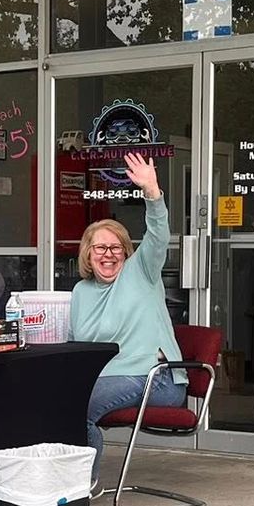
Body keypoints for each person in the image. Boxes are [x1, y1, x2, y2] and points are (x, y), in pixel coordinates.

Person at [70, 150, 187, 481]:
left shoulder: (141, 272)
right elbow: (79, 347)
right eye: (99, 248)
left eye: (115, 248)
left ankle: (82, 486)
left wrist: (152, 193)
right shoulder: (81, 292)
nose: (108, 255)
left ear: (126, 252)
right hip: (107, 379)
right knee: (56, 399)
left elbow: (158, 236)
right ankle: (59, 483)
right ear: (88, 254)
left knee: (77, 409)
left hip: (157, 378)